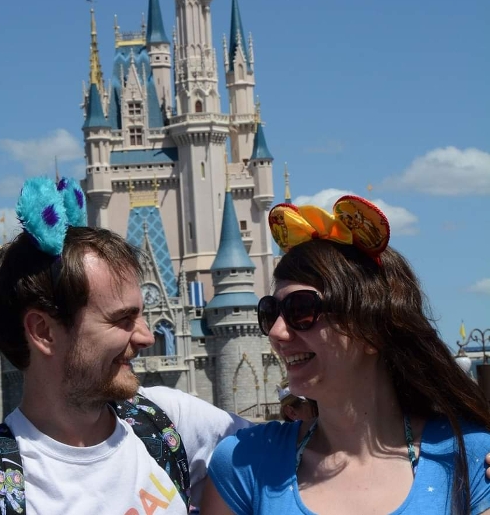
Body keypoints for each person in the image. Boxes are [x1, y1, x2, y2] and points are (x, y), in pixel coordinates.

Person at [0, 176, 251, 515]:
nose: (146, 337)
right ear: (44, 332)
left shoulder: (166, 421)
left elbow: (297, 451)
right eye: (123, 320)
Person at [202, 195, 490, 515]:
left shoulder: (469, 456)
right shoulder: (244, 462)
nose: (276, 332)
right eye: (270, 312)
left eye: (301, 310)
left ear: (372, 330)